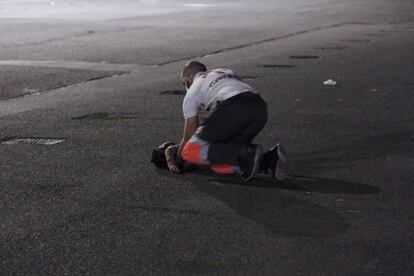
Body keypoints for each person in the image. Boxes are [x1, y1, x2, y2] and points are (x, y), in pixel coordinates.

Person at [168, 60, 287, 181]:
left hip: (233, 107)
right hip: (259, 109)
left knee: (190, 151)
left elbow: (189, 137)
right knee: (219, 160)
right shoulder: (224, 71)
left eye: (185, 83)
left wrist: (176, 161)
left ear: (188, 76)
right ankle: (268, 160)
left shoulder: (192, 91)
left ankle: (247, 153)